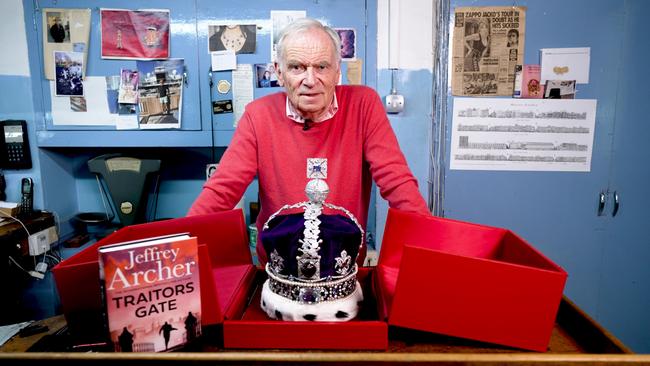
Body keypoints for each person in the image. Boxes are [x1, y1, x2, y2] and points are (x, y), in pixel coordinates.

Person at [188, 18, 429, 266]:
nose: (310, 80)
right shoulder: (257, 115)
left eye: (322, 67)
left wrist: (428, 241)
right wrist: (178, 249)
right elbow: (222, 190)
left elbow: (397, 181)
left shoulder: (364, 105)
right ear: (279, 73)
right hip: (278, 269)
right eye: (297, 67)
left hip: (341, 269)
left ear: (337, 72)